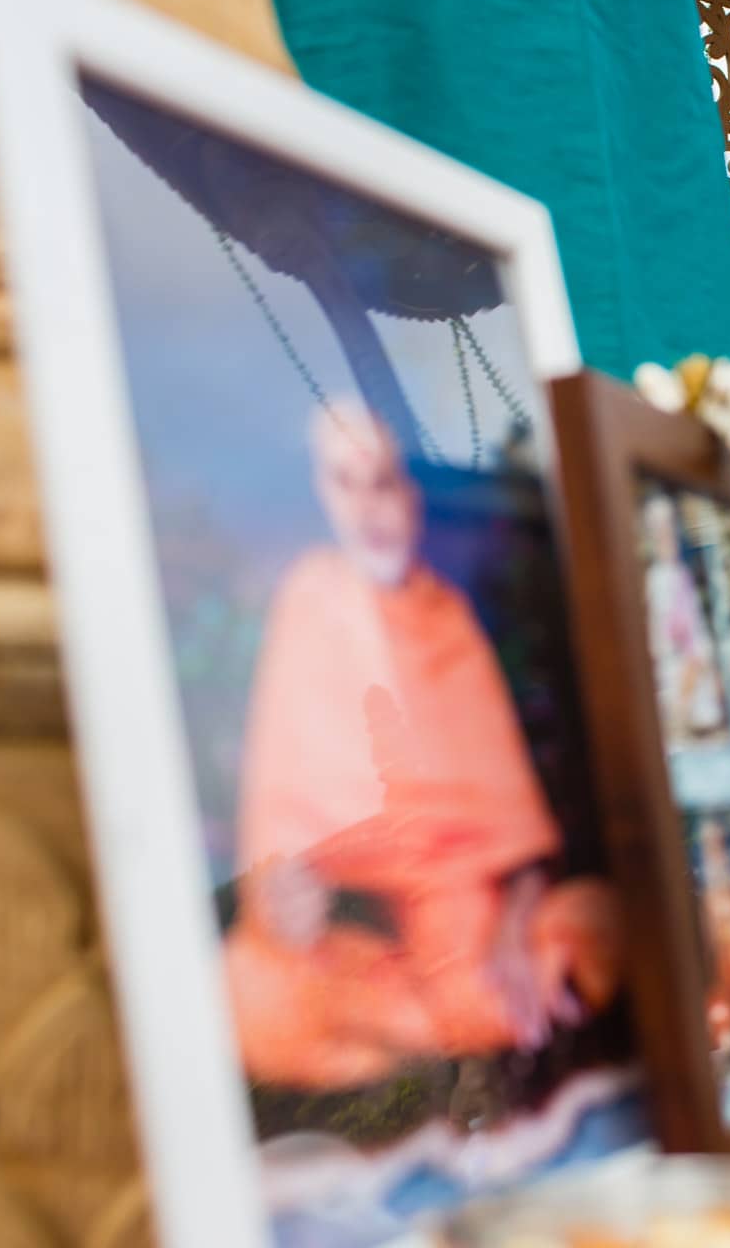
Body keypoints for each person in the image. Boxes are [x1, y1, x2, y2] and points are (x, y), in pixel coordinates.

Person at [224, 397, 619, 1089]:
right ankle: (431, 1043)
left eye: (383, 483)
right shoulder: (311, 601)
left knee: (600, 920)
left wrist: (509, 935)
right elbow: (281, 843)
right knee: (240, 991)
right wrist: (280, 906)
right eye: (346, 484)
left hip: (482, 953)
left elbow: (519, 839)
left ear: (408, 498)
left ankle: (435, 1039)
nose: (370, 508)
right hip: (363, 956)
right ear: (321, 499)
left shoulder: (446, 615)